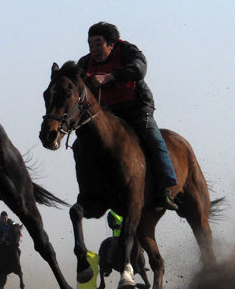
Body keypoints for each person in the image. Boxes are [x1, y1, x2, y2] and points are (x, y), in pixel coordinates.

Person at [77, 22, 179, 210]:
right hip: (110, 114)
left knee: (153, 139)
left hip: (137, 107)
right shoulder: (84, 63)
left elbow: (139, 69)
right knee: (80, 145)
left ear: (111, 44)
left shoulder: (127, 51)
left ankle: (166, 188)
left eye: (98, 44)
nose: (94, 49)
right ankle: (91, 190)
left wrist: (109, 77)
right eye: (90, 44)